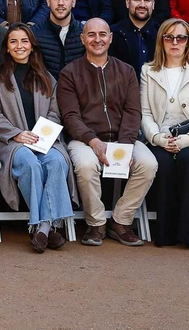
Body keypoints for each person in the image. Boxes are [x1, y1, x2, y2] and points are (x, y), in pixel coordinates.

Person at [57, 18, 152, 246]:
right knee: (87, 165)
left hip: (123, 138)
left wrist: (126, 145)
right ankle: (96, 223)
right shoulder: (69, 73)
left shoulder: (126, 71)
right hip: (85, 140)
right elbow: (70, 116)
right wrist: (93, 141)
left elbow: (132, 112)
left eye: (102, 34)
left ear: (110, 38)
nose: (97, 39)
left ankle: (120, 221)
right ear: (82, 39)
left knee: (148, 164)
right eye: (91, 35)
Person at [0, 23, 75, 252]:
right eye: (13, 41)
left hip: (45, 141)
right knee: (30, 164)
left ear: (32, 46)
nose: (19, 46)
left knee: (57, 162)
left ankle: (42, 227)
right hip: (12, 143)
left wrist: (42, 134)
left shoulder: (46, 77)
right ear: (6, 47)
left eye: (24, 41)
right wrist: (17, 134)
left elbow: (56, 112)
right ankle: (47, 226)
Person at [137, 17, 189, 249]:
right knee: (162, 161)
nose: (175, 42)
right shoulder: (148, 71)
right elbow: (145, 114)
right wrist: (158, 138)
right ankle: (166, 234)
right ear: (161, 40)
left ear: (188, 41)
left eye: (181, 37)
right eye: (169, 37)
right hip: (161, 137)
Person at [33, 0, 84, 73]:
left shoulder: (83, 33)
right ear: (48, 1)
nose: (61, 3)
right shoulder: (34, 33)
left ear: (73, 2)